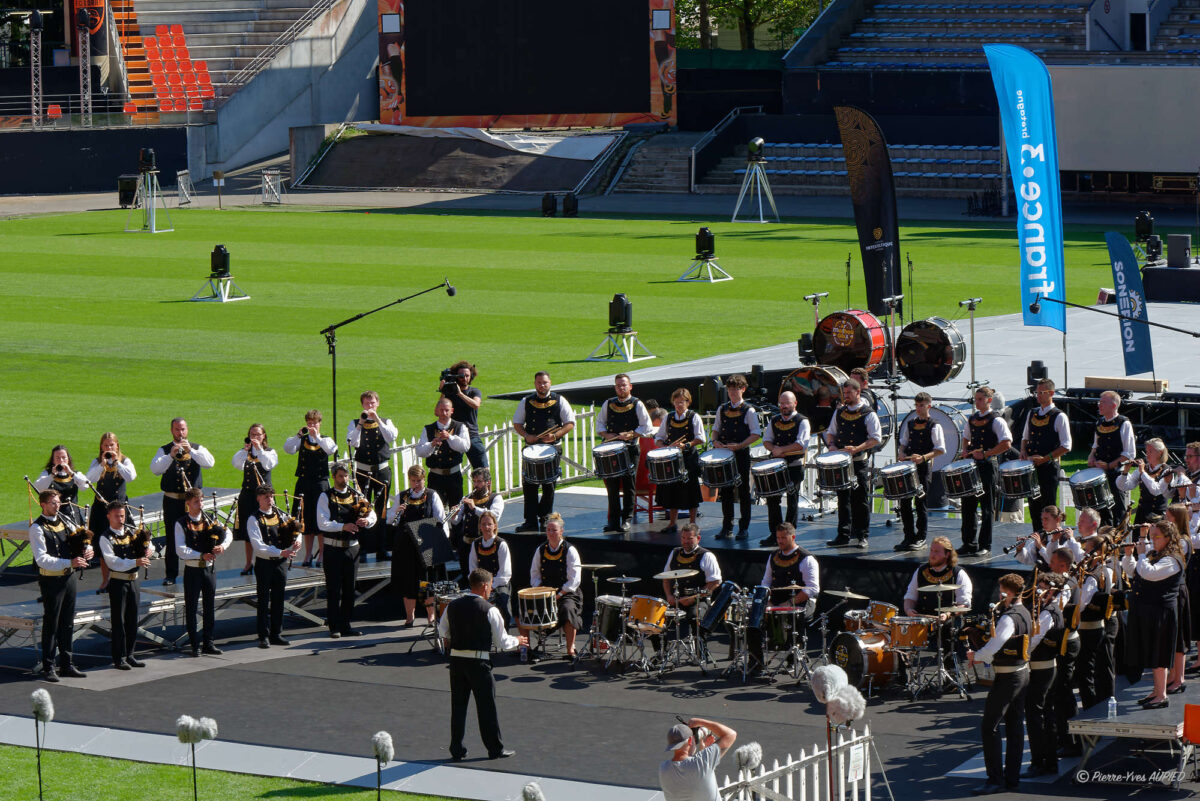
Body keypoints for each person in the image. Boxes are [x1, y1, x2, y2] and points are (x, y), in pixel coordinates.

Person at [437, 568, 526, 761]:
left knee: (458, 706)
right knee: (486, 707)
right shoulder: (490, 610)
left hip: (457, 661)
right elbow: (502, 642)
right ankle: (495, 749)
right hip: (479, 662)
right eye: (491, 585)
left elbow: (442, 630)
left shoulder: (453, 606)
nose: (491, 589)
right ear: (485, 586)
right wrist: (518, 640)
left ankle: (456, 748)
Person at [966, 573, 1032, 795]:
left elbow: (994, 646)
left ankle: (995, 778)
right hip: (1022, 673)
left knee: (990, 726)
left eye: (1001, 590)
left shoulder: (1009, 617)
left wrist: (976, 655)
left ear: (1008, 592)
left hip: (1008, 677)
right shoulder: (1025, 612)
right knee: (1014, 726)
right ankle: (1011, 778)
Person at [29, 489, 92, 681]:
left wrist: (88, 549)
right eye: (53, 503)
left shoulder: (65, 520)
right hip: (51, 580)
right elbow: (42, 559)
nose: (57, 506)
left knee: (67, 622)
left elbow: (82, 538)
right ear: (43, 504)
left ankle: (67, 663)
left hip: (69, 578)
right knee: (52, 623)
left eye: (58, 502)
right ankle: (49, 666)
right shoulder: (37, 528)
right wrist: (69, 562)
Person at [1121, 519, 1184, 710]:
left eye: (1156, 536)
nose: (1153, 540)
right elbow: (1135, 572)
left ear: (1168, 538)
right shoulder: (1154, 554)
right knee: (1152, 653)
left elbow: (1150, 574)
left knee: (1160, 653)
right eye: (1152, 536)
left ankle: (1161, 694)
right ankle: (1157, 691)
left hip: (1162, 612)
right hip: (1150, 611)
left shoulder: (1171, 559)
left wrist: (1141, 556)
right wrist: (1129, 556)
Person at [150, 418, 215, 585]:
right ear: (172, 431)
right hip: (172, 501)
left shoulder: (197, 447)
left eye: (183, 429)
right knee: (172, 537)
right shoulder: (165, 450)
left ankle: (197, 568)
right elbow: (155, 469)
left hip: (192, 502)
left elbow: (209, 463)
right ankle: (171, 574)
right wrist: (171, 456)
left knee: (197, 534)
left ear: (187, 430)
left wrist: (191, 450)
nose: (181, 433)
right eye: (177, 430)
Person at [749, 522, 819, 674]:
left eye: (783, 538)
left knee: (791, 618)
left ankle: (792, 659)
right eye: (778, 538)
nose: (780, 541)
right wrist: (767, 601)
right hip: (775, 601)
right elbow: (766, 582)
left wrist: (788, 604)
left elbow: (812, 588)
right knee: (752, 620)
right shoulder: (773, 556)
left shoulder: (807, 559)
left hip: (800, 602)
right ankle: (756, 661)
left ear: (793, 537)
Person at [317, 463, 376, 638]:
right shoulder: (325, 496)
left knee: (350, 589)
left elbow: (371, 513)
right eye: (341, 476)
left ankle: (346, 625)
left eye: (346, 476)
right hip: (332, 548)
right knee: (334, 589)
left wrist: (368, 521)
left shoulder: (356, 495)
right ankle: (334, 626)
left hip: (352, 548)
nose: (344, 479)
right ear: (333, 477)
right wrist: (343, 526)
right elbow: (322, 523)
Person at [512, 371, 575, 532]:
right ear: (535, 384)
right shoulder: (526, 401)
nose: (542, 385)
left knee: (549, 485)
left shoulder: (560, 400)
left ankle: (546, 518)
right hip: (531, 448)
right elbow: (517, 423)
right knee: (529, 485)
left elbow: (570, 423)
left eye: (545, 382)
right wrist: (527, 435)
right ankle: (530, 521)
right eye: (539, 382)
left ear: (550, 383)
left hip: (552, 448)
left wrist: (555, 435)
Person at [174, 487, 233, 657]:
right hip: (192, 570)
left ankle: (209, 642)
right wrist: (200, 554)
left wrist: (222, 546)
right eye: (196, 502)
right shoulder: (181, 523)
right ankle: (194, 645)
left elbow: (227, 533)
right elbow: (180, 549)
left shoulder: (210, 520)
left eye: (201, 501)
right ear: (188, 504)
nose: (200, 505)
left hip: (209, 570)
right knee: (191, 608)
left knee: (209, 607)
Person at [387, 464, 447, 627]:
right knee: (408, 582)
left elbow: (440, 519)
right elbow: (389, 520)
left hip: (425, 544)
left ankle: (431, 616)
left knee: (426, 582)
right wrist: (396, 512)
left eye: (419, 481)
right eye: (413, 481)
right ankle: (409, 617)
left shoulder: (432, 495)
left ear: (424, 479)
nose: (416, 484)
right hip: (406, 546)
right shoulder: (402, 497)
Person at [824, 378, 881, 549]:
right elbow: (830, 433)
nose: (846, 396)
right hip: (842, 463)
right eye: (844, 393)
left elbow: (876, 438)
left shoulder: (868, 413)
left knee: (860, 499)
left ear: (857, 392)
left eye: (849, 393)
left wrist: (857, 448)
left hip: (858, 462)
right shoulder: (839, 412)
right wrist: (832, 445)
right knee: (843, 499)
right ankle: (843, 534)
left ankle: (862, 535)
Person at [597, 373, 654, 533]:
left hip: (630, 448)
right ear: (615, 387)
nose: (621, 388)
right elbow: (600, 424)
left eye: (624, 385)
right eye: (618, 385)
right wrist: (607, 435)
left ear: (630, 386)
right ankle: (613, 521)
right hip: (611, 449)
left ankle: (626, 519)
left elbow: (647, 427)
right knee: (612, 485)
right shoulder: (608, 403)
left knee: (629, 484)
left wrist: (633, 434)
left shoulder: (637, 404)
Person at [246, 484, 302, 648]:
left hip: (280, 564)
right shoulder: (253, 519)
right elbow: (258, 546)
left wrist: (296, 542)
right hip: (264, 564)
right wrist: (281, 552)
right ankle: (263, 635)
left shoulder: (281, 514)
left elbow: (296, 530)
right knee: (263, 600)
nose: (270, 500)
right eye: (266, 497)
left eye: (271, 496)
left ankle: (276, 633)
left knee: (278, 599)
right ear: (258, 499)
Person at [98, 501, 151, 670]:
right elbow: (112, 562)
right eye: (117, 516)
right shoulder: (105, 537)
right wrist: (135, 561)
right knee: (118, 621)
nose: (121, 519)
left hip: (134, 580)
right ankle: (119, 657)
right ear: (109, 516)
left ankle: (130, 654)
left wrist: (149, 549)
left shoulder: (131, 532)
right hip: (118, 581)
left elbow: (150, 544)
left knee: (132, 619)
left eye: (122, 515)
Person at [961, 386, 1012, 556]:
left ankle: (985, 544)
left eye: (980, 399)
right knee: (968, 505)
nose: (977, 402)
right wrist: (965, 450)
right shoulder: (972, 419)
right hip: (973, 466)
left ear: (989, 400)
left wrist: (986, 453)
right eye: (976, 399)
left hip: (988, 465)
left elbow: (1006, 443)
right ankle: (968, 542)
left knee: (986, 506)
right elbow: (966, 438)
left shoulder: (997, 420)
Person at [347, 390, 398, 561]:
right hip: (362, 470)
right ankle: (362, 548)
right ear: (362, 405)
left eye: (372, 403)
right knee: (362, 509)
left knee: (381, 509)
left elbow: (391, 437)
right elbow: (353, 442)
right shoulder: (355, 423)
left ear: (378, 404)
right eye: (367, 403)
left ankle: (381, 548)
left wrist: (377, 419)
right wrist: (360, 424)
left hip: (381, 470)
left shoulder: (386, 421)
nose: (370, 406)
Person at [523, 513, 582, 660]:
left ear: (561, 531)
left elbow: (574, 580)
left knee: (568, 608)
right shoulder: (541, 549)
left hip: (567, 593)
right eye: (548, 530)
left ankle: (570, 649)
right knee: (523, 607)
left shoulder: (570, 550)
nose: (550, 533)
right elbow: (534, 575)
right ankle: (526, 647)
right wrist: (542, 591)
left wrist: (559, 594)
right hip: (546, 592)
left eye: (554, 530)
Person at [1024, 573, 1066, 778]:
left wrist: (1019, 656)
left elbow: (1034, 640)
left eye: (1041, 589)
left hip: (1041, 668)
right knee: (1046, 715)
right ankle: (1048, 762)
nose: (1037, 593)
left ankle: (1039, 762)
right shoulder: (1049, 610)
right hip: (1047, 667)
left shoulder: (1048, 613)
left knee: (1036, 716)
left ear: (1051, 591)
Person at [283, 410, 337, 567]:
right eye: (309, 423)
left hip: (320, 483)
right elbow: (288, 449)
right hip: (304, 483)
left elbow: (331, 449)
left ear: (320, 423)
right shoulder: (302, 440)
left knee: (320, 518)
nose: (311, 426)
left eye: (314, 423)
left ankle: (321, 554)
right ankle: (307, 554)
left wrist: (317, 437)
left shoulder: (325, 439)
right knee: (305, 518)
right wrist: (298, 435)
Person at [894, 392, 946, 552]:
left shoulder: (934, 425)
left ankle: (921, 537)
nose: (918, 408)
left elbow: (940, 449)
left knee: (920, 503)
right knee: (904, 503)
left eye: (921, 405)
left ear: (928, 406)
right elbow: (903, 443)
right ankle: (908, 536)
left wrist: (923, 457)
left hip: (923, 468)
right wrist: (901, 453)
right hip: (908, 468)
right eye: (916, 405)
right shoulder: (910, 424)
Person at [902, 537, 973, 654]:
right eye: (931, 550)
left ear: (947, 554)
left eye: (937, 552)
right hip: (923, 618)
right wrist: (909, 609)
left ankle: (948, 666)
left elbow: (964, 604)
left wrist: (948, 614)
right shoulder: (921, 571)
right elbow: (910, 596)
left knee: (947, 629)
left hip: (948, 619)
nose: (932, 555)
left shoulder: (958, 574)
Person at [711, 374, 760, 540]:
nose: (732, 393)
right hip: (724, 454)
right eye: (730, 390)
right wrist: (715, 441)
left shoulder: (749, 410)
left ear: (743, 390)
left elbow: (756, 434)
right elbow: (716, 429)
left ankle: (744, 527)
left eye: (735, 390)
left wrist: (739, 446)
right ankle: (727, 526)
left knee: (743, 491)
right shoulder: (722, 409)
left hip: (740, 454)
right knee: (725, 491)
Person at [86, 433, 137, 590]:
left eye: (111, 445)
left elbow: (131, 477)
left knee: (123, 541)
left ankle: (122, 574)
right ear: (101, 446)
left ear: (117, 446)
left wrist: (116, 462)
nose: (109, 448)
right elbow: (89, 480)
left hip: (119, 508)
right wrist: (102, 464)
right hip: (102, 509)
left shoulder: (125, 460)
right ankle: (106, 579)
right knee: (103, 544)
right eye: (106, 445)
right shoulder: (97, 462)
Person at [759, 391, 810, 547]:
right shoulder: (774, 420)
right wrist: (774, 448)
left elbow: (801, 445)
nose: (784, 406)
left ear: (794, 404)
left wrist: (781, 450)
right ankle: (775, 534)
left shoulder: (802, 421)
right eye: (781, 403)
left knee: (792, 499)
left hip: (794, 465)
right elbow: (766, 441)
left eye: (787, 403)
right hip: (776, 467)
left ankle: (789, 534)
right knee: (772, 499)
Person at [1019, 379, 1071, 532]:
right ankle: (1037, 540)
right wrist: (1023, 451)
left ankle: (1050, 541)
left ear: (1051, 393)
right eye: (1037, 392)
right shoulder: (1032, 413)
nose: (1038, 396)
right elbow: (1025, 437)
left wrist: (1045, 458)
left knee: (1048, 507)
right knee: (1034, 507)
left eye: (1042, 393)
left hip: (1048, 468)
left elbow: (1066, 445)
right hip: (1032, 467)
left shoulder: (1059, 416)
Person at [1074, 528, 1117, 709]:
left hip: (1089, 629)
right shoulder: (1101, 570)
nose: (1084, 553)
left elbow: (1081, 603)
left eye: (1087, 550)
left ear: (1097, 552)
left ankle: (1091, 708)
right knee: (1092, 670)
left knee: (1086, 672)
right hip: (1095, 628)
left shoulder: (1094, 575)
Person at [654, 387, 706, 535]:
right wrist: (664, 447)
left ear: (688, 402)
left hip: (688, 458)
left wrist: (687, 445)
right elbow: (659, 438)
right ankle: (672, 523)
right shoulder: (668, 417)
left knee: (691, 491)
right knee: (672, 491)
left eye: (681, 402)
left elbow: (701, 438)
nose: (678, 405)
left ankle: (692, 523)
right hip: (673, 460)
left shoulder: (693, 417)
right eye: (676, 402)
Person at [661, 523, 722, 640]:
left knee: (695, 617)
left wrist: (693, 598)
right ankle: (660, 653)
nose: (685, 542)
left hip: (699, 600)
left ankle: (700, 651)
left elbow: (715, 582)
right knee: (654, 620)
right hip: (677, 599)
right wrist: (669, 596)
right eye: (683, 538)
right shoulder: (674, 552)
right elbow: (665, 578)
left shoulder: (707, 556)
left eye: (689, 538)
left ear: (698, 538)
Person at [233, 423, 278, 575]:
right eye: (252, 434)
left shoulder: (269, 452)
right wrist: (245, 450)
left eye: (258, 434)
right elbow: (236, 464)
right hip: (247, 495)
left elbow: (268, 464)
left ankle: (267, 559)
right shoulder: (246, 452)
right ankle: (248, 563)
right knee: (248, 531)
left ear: (264, 435)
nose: (255, 437)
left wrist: (258, 449)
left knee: (266, 528)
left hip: (264, 497)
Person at [1087, 390, 1136, 527]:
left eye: (1103, 402)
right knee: (1100, 509)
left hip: (1116, 474)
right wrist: (1091, 457)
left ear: (1114, 405)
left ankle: (1118, 543)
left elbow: (1129, 453)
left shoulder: (1124, 423)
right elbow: (1095, 446)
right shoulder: (1099, 422)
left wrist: (1109, 466)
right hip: (1099, 474)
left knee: (1117, 509)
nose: (1099, 405)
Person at [659, 717, 737, 801]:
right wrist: (700, 722)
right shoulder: (703, 762)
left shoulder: (664, 768)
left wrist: (704, 751)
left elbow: (688, 773)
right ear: (689, 740)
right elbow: (731, 734)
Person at [416, 397, 471, 509]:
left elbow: (465, 446)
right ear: (436, 410)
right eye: (441, 410)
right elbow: (420, 452)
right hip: (436, 476)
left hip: (454, 476)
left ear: (452, 411)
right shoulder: (428, 429)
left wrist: (449, 437)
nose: (444, 413)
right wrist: (432, 444)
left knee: (456, 510)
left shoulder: (460, 427)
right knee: (435, 510)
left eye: (447, 410)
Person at [449, 467, 505, 574]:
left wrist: (474, 508)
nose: (475, 485)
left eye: (479, 481)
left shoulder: (496, 498)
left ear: (487, 482)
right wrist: (453, 515)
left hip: (484, 545)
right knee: (466, 574)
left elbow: (494, 516)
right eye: (474, 481)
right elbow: (456, 521)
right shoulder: (467, 498)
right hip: (466, 544)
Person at [468, 511, 513, 627]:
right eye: (483, 524)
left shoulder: (501, 544)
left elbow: (505, 574)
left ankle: (503, 637)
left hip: (499, 584)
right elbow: (472, 569)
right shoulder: (475, 544)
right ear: (479, 526)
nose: (486, 527)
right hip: (480, 584)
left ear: (495, 526)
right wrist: (479, 585)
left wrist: (490, 586)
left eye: (489, 524)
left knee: (502, 605)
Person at [441, 360, 488, 469]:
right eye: (461, 376)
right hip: (454, 435)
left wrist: (460, 394)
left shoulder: (474, 392)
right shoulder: (449, 394)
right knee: (448, 469)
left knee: (483, 471)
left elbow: (476, 404)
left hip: (472, 435)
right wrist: (443, 391)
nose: (465, 378)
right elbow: (437, 411)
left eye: (467, 375)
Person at [1117, 437, 1172, 524]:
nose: (1147, 454)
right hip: (1141, 514)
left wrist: (1142, 472)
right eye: (1147, 451)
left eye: (1150, 451)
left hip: (1157, 516)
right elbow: (1124, 486)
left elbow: (1156, 490)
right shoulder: (1144, 468)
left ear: (1160, 453)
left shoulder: (1167, 470)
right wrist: (1125, 472)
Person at [34, 445, 88, 526]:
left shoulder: (75, 474)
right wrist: (51, 475)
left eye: (64, 458)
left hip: (72, 515)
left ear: (68, 459)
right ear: (53, 460)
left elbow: (85, 486)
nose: (61, 461)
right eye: (57, 458)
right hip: (53, 515)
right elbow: (38, 487)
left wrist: (71, 473)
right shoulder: (47, 474)